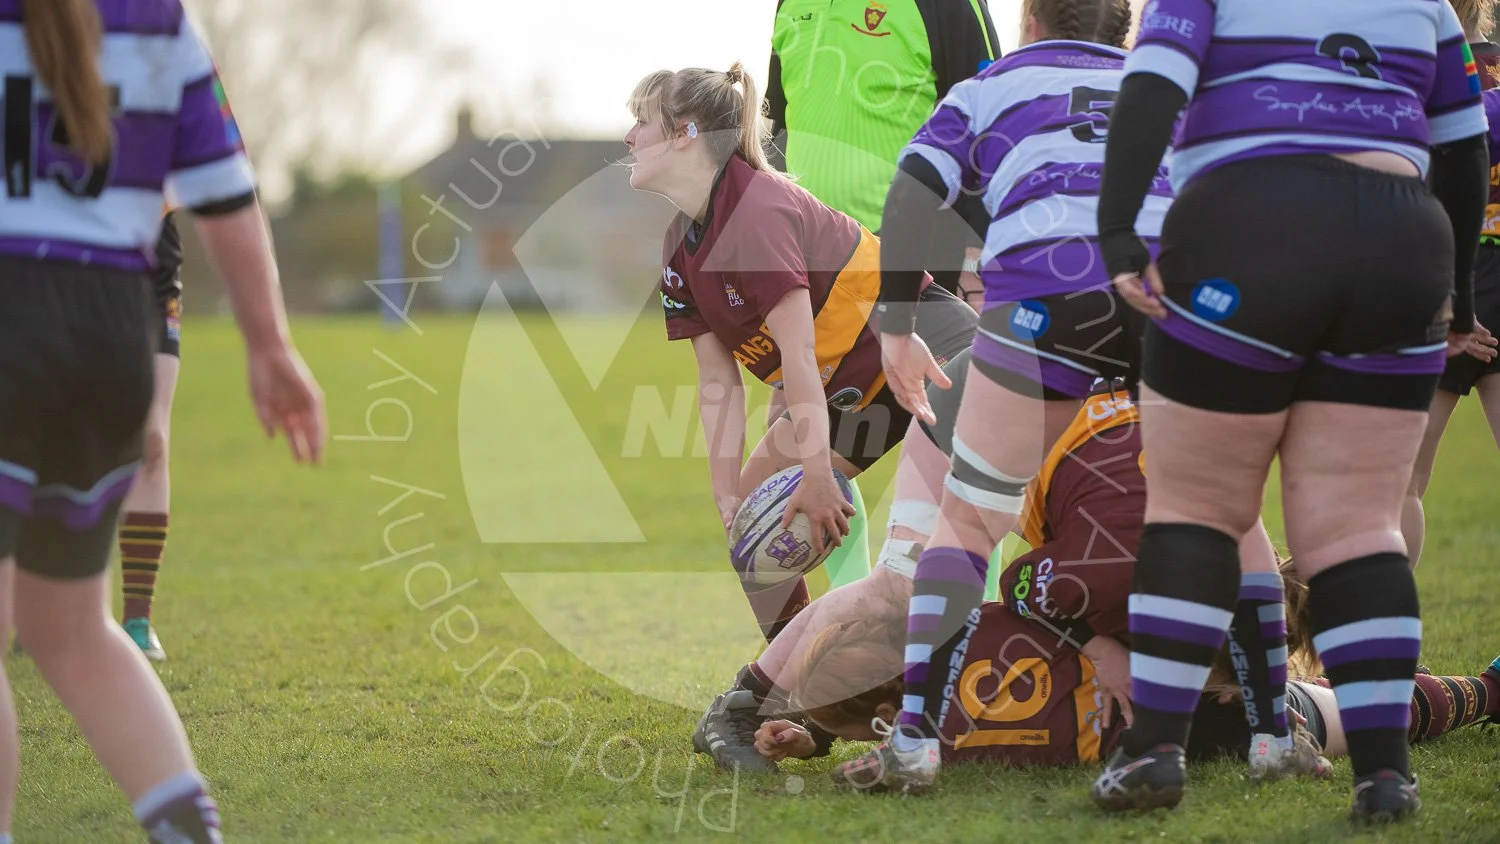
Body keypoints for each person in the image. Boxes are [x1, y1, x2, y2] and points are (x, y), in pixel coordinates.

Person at [1087, 0, 1491, 824]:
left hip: (1245, 220)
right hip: (1401, 242)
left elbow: (1152, 86)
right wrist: (1454, 297)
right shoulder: (1429, 4)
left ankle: (1154, 751)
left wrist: (1119, 226)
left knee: (1197, 509)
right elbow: (1462, 146)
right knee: (1359, 528)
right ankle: (1384, 776)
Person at [0, 2, 325, 843]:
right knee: (73, 630)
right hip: (114, 334)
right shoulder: (158, 20)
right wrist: (269, 344)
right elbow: (227, 193)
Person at [839, 0, 1167, 794]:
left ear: (1029, 20)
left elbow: (912, 192)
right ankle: (1269, 731)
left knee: (970, 522)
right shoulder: (1163, 88)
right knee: (1221, 515)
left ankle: (915, 740)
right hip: (1163, 293)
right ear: (1122, 30)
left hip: (1042, 297)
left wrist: (897, 328)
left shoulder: (990, 87)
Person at [625, 64, 977, 645]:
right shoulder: (678, 247)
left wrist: (817, 474)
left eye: (642, 121)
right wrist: (726, 491)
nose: (628, 137)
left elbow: (799, 352)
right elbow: (716, 381)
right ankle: (802, 680)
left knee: (1011, 495)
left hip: (930, 344)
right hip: (853, 389)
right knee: (750, 531)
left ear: (687, 133)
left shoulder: (757, 211)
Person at [754, 560, 1500, 773]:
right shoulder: (978, 621)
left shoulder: (924, 748)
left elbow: (886, 729)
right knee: (1327, 704)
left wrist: (820, 737)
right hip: (1174, 660)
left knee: (1349, 715)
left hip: (1184, 722)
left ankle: (1489, 693)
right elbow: (1024, 581)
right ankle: (1484, 689)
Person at [765, 0, 1003, 586]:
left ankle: (978, 614)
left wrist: (976, 261)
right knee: (800, 463)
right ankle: (847, 619)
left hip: (919, 265)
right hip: (813, 271)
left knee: (969, 447)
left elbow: (992, 122)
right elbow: (774, 129)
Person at [1405, 0, 1500, 568]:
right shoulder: (1493, 70)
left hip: (1443, 270)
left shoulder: (1412, 64)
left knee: (1404, 480)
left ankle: (1386, 623)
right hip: (1485, 271)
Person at [118, 212, 186, 661]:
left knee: (152, 441)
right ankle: (42, 605)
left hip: (152, 289)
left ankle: (138, 620)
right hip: (52, 283)